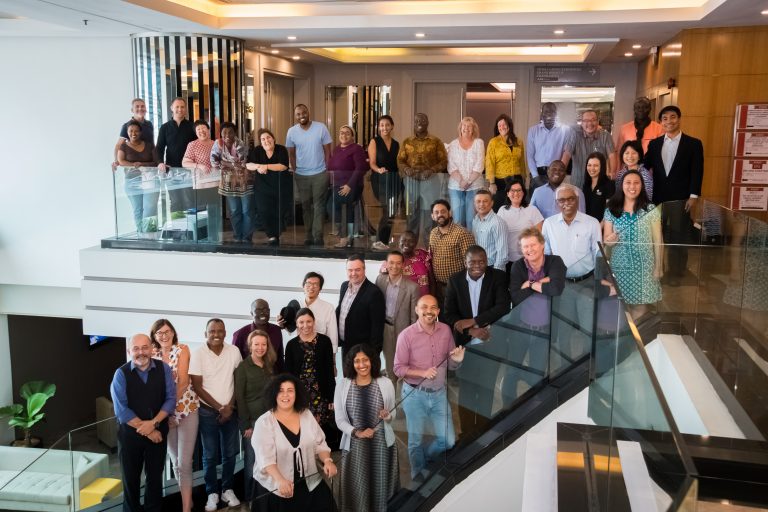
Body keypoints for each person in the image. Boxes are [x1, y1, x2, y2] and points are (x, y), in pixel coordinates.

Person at [393, 294, 465, 479]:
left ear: (438, 311)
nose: (429, 311)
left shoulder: (446, 330)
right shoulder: (406, 336)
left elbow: (450, 363)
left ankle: (426, 459)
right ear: (417, 310)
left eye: (433, 307)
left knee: (448, 441)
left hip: (439, 394)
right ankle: (418, 476)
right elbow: (398, 368)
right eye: (424, 307)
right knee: (415, 442)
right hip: (415, 396)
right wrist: (422, 373)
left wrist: (457, 361)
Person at [443, 246, 510, 436]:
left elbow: (503, 307)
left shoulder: (497, 277)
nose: (477, 266)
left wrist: (474, 321)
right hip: (465, 347)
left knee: (487, 391)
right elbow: (448, 314)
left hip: (492, 344)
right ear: (465, 263)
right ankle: (466, 434)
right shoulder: (455, 281)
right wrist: (471, 330)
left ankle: (482, 433)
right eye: (472, 262)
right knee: (466, 391)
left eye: (482, 261)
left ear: (487, 261)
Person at [251, 373, 337, 512]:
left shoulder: (307, 415)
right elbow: (265, 459)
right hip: (276, 486)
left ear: (297, 394)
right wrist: (280, 480)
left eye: (290, 390)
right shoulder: (264, 422)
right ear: (274, 394)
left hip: (309, 482)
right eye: (281, 391)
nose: (285, 395)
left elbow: (320, 444)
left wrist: (327, 460)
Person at [110, 334, 175, 512]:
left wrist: (153, 424)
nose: (141, 352)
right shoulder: (120, 374)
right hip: (130, 437)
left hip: (158, 434)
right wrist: (148, 430)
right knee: (130, 481)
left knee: (154, 481)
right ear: (129, 351)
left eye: (145, 347)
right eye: (136, 349)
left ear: (152, 348)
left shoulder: (164, 369)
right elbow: (121, 410)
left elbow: (170, 400)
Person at [334, 343, 399, 512]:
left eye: (365, 360)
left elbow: (393, 414)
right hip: (355, 445)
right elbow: (340, 420)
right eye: (357, 361)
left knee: (380, 487)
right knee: (358, 487)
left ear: (372, 361)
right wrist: (357, 432)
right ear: (351, 363)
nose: (361, 365)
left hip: (381, 445)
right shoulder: (343, 385)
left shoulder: (385, 383)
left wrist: (388, 415)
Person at [504, 228, 566, 403]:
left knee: (537, 375)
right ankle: (508, 408)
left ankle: (532, 408)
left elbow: (556, 289)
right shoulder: (518, 266)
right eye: (524, 247)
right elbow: (516, 297)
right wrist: (543, 282)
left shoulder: (555, 262)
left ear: (542, 245)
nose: (528, 250)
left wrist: (530, 284)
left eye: (532, 245)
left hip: (543, 332)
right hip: (520, 329)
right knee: (512, 372)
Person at [541, 185, 601, 362]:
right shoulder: (549, 223)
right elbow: (545, 253)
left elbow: (598, 255)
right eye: (562, 200)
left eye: (570, 199)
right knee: (564, 329)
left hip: (587, 284)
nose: (566, 203)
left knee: (588, 327)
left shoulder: (592, 223)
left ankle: (587, 366)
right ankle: (566, 368)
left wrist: (598, 283)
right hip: (563, 285)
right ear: (556, 203)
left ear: (577, 200)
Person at [189, 318, 243, 511]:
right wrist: (219, 407)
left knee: (230, 454)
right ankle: (212, 492)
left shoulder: (234, 351)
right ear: (205, 334)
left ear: (225, 333)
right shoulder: (198, 354)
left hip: (230, 411)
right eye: (212, 331)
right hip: (207, 412)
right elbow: (196, 386)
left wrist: (229, 407)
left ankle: (227, 489)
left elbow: (239, 380)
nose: (216, 334)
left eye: (220, 331)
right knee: (210, 455)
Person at [647, 105, 704, 286]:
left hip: (681, 199)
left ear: (679, 119)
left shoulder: (693, 143)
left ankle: (677, 273)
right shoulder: (654, 144)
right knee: (657, 236)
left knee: (678, 236)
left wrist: (693, 195)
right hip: (658, 199)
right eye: (664, 118)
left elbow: (697, 171)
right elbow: (644, 164)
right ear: (661, 122)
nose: (669, 121)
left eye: (673, 117)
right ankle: (658, 269)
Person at [149, 320, 198, 512]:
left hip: (185, 409)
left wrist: (167, 409)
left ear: (173, 333)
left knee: (185, 462)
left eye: (167, 331)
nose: (164, 335)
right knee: (175, 461)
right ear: (154, 336)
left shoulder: (182, 349)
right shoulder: (151, 356)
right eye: (159, 333)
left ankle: (186, 508)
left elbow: (184, 382)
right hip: (164, 415)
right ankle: (188, 499)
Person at [603, 170, 664, 319]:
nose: (632, 186)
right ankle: (626, 338)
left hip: (645, 268)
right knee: (622, 306)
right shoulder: (611, 209)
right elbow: (606, 240)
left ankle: (635, 340)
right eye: (628, 182)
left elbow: (658, 241)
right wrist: (611, 240)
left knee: (641, 306)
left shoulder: (650, 209)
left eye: (636, 183)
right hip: (619, 267)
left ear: (642, 186)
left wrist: (658, 267)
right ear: (621, 186)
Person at [234, 330, 277, 503]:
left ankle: (266, 499)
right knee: (252, 462)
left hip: (271, 421)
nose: (260, 348)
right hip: (252, 422)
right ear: (250, 346)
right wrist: (245, 425)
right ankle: (251, 500)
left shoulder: (269, 365)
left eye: (263, 344)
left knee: (269, 461)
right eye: (256, 344)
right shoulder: (243, 368)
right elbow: (239, 398)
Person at [285, 308, 337, 448]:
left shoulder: (325, 341)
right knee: (302, 429)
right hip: (300, 394)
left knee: (319, 431)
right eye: (301, 322)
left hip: (320, 393)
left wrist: (332, 398)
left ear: (314, 322)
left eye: (308, 321)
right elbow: (288, 375)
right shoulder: (291, 345)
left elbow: (329, 372)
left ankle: (321, 461)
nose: (305, 325)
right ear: (296, 324)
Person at [397, 113, 448, 247]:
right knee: (411, 216)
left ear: (428, 122)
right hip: (411, 182)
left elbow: (444, 161)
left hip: (430, 182)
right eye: (417, 120)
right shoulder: (407, 142)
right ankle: (410, 248)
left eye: (423, 120)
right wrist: (407, 170)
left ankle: (429, 249)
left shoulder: (435, 141)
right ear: (413, 123)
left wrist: (432, 170)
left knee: (428, 218)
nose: (420, 122)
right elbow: (400, 161)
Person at [286, 104, 333, 246]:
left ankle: (318, 236)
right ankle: (308, 235)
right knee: (306, 206)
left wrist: (327, 170)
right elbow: (291, 154)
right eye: (298, 114)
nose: (302, 116)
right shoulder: (291, 132)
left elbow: (327, 152)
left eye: (304, 113)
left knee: (319, 205)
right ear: (295, 116)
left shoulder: (321, 128)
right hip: (301, 174)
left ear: (308, 112)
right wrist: (295, 171)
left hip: (320, 173)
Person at [375, 250, 420, 389]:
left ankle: (396, 400)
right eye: (391, 263)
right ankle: (390, 394)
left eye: (398, 263)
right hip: (383, 327)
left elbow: (414, 318)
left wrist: (412, 339)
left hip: (402, 330)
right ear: (386, 264)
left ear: (403, 265)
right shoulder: (380, 280)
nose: (394, 266)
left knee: (399, 365)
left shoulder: (413, 288)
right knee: (389, 363)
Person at [327, 125, 368, 248]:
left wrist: (349, 185)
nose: (343, 135)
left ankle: (344, 237)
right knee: (344, 210)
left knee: (332, 206)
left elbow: (360, 168)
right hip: (337, 185)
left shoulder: (356, 149)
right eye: (341, 132)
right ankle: (347, 237)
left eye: (347, 133)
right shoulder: (337, 149)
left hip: (352, 185)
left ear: (352, 136)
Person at [248, 128, 291, 246]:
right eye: (263, 139)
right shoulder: (257, 151)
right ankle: (271, 235)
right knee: (264, 211)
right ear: (260, 142)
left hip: (280, 187)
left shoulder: (281, 149)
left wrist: (265, 166)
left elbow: (283, 166)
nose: (266, 141)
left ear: (273, 139)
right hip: (262, 189)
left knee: (279, 212)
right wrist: (258, 166)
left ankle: (277, 234)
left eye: (268, 138)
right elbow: (248, 164)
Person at [337, 255, 385, 357]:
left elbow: (377, 328)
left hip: (363, 352)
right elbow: (341, 311)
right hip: (345, 347)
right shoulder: (344, 286)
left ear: (364, 269)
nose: (353, 273)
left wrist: (373, 355)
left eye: (357, 270)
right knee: (347, 373)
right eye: (350, 270)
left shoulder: (374, 293)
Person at [428, 199, 476, 303]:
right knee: (442, 317)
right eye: (436, 212)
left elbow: (471, 263)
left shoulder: (462, 233)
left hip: (458, 287)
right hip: (439, 286)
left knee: (457, 317)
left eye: (443, 211)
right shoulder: (433, 233)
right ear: (432, 216)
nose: (440, 214)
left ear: (450, 213)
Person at [212, 121, 252, 243]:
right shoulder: (217, 144)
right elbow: (214, 162)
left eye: (230, 132)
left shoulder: (240, 143)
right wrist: (227, 163)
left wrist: (224, 162)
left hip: (244, 181)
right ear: (220, 133)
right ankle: (237, 235)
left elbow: (241, 164)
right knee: (234, 211)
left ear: (235, 133)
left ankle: (246, 237)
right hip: (229, 182)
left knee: (247, 210)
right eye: (224, 133)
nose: (227, 135)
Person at [116, 119, 159, 233]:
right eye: (130, 131)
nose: (133, 133)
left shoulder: (149, 146)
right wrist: (133, 165)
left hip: (150, 179)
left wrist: (142, 165)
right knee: (138, 209)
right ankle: (142, 234)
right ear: (127, 132)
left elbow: (156, 162)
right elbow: (121, 161)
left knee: (149, 208)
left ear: (140, 132)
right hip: (132, 182)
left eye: (136, 131)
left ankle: (148, 233)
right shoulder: (124, 146)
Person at [182, 120, 221, 242]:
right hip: (200, 185)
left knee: (215, 212)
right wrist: (199, 165)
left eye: (204, 128)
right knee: (202, 213)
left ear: (209, 130)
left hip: (216, 183)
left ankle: (214, 238)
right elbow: (184, 163)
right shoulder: (192, 145)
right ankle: (201, 239)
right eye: (198, 130)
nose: (201, 131)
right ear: (196, 132)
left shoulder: (216, 143)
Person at [157, 97, 196, 213]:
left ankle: (189, 230)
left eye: (182, 107)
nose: (180, 109)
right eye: (177, 107)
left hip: (189, 170)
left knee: (190, 201)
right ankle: (177, 229)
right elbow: (159, 147)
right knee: (175, 202)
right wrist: (160, 162)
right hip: (171, 170)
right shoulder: (165, 127)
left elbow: (196, 146)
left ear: (186, 109)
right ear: (171, 108)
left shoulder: (191, 126)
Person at [368, 115, 402, 251]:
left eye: (387, 125)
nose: (384, 127)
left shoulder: (396, 144)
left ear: (392, 126)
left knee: (391, 212)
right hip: (380, 180)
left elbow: (398, 164)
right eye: (381, 125)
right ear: (378, 127)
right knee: (387, 210)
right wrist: (379, 170)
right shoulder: (374, 142)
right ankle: (379, 240)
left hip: (394, 180)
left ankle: (384, 241)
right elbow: (372, 163)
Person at [497, 177, 544, 272]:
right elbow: (498, 234)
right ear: (507, 193)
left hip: (529, 259)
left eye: (519, 190)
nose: (516, 193)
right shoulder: (502, 210)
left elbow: (540, 236)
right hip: (508, 259)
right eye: (512, 190)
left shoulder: (532, 210)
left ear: (523, 193)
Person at [447, 116, 485, 230]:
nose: (466, 128)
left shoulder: (479, 143)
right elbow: (451, 165)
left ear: (473, 129)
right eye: (464, 125)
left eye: (469, 126)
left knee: (471, 220)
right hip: (455, 186)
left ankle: (471, 246)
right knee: (457, 219)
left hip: (474, 185)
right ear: (460, 128)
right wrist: (461, 181)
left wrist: (468, 181)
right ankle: (458, 246)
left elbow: (479, 164)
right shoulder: (453, 144)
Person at [564, 109, 616, 187]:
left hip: (599, 184)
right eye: (586, 120)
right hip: (578, 183)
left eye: (593, 120)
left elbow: (612, 156)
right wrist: (561, 171)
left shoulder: (606, 136)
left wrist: (613, 173)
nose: (590, 123)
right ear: (581, 123)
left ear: (598, 121)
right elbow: (567, 154)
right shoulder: (574, 135)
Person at [485, 114, 526, 211]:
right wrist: (492, 183)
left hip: (517, 179)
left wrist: (524, 178)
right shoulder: (493, 142)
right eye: (499, 125)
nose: (502, 127)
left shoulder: (519, 141)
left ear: (509, 125)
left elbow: (522, 161)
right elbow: (489, 163)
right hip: (500, 181)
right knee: (499, 208)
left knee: (516, 207)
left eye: (504, 124)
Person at [526, 102, 571, 188]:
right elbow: (530, 156)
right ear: (542, 113)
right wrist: (535, 177)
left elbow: (567, 153)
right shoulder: (533, 131)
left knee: (555, 201)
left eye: (552, 111)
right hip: (538, 173)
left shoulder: (565, 130)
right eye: (546, 111)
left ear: (556, 114)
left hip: (556, 174)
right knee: (536, 201)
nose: (549, 114)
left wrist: (559, 174)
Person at [232, 298, 285, 370]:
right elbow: (235, 364)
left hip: (273, 379)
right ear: (251, 313)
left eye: (265, 310)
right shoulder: (240, 334)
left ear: (269, 311)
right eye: (258, 310)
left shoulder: (277, 331)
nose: (262, 313)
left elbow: (280, 360)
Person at [471, 189, 509, 270]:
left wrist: (496, 274)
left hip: (492, 268)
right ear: (474, 204)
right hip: (478, 266)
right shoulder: (475, 220)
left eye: (485, 201)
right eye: (478, 201)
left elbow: (503, 253)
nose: (481, 204)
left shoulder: (497, 223)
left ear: (492, 203)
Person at [113, 98, 154, 170]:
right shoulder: (126, 126)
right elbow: (119, 145)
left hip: (149, 167)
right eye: (137, 106)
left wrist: (158, 160)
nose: (140, 108)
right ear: (132, 110)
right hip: (133, 168)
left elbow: (152, 144)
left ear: (146, 109)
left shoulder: (149, 124)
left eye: (142, 106)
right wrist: (116, 161)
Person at [582, 152, 615, 222]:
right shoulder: (586, 185)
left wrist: (600, 226)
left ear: (602, 167)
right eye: (589, 165)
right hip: (586, 225)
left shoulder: (609, 184)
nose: (592, 168)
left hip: (601, 226)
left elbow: (609, 211)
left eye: (596, 165)